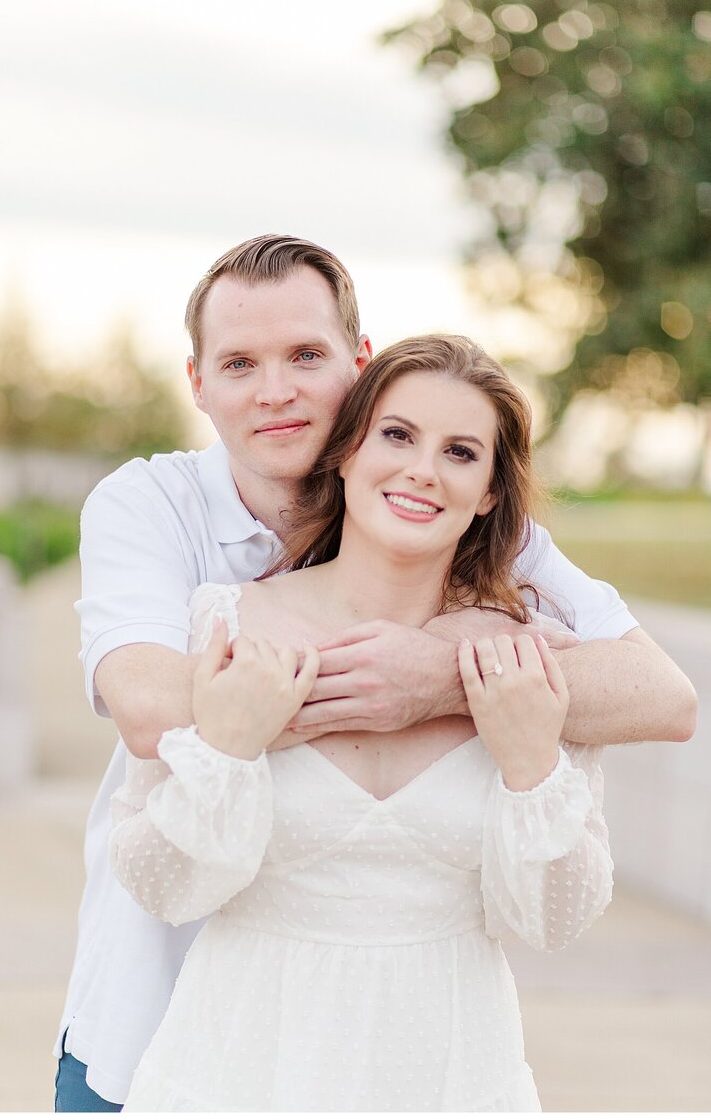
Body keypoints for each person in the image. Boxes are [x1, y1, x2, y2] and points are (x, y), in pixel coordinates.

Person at [53, 235, 696, 1111]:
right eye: (240, 361)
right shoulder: (149, 509)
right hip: (157, 1025)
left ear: (356, 368)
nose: (275, 389)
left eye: (306, 356)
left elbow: (664, 696)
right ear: (197, 382)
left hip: (437, 1071)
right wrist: (359, 690)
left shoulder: (489, 548)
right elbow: (146, 707)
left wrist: (447, 677)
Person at [112, 334, 613, 1111]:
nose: (422, 469)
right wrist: (227, 742)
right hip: (237, 1069)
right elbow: (162, 887)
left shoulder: (528, 662)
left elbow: (553, 919)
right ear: (346, 452)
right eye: (398, 435)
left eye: (460, 451)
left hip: (450, 1076)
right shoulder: (226, 624)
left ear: (488, 493)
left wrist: (529, 765)